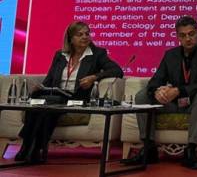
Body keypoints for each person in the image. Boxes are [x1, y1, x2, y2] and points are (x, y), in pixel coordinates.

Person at [121, 15, 197, 170]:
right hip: (172, 104)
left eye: (191, 34)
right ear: (178, 37)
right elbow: (155, 80)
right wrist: (157, 91)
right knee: (142, 95)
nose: (188, 39)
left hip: (193, 104)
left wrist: (178, 90)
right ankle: (149, 148)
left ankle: (190, 151)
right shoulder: (171, 55)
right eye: (183, 35)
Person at [15, 21, 123, 163]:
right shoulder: (60, 55)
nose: (85, 37)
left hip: (76, 97)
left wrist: (94, 77)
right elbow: (49, 79)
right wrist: (41, 87)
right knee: (36, 101)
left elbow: (117, 70)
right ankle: (29, 146)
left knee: (48, 106)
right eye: (80, 34)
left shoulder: (97, 54)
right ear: (71, 39)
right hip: (56, 94)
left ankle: (33, 148)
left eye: (87, 33)